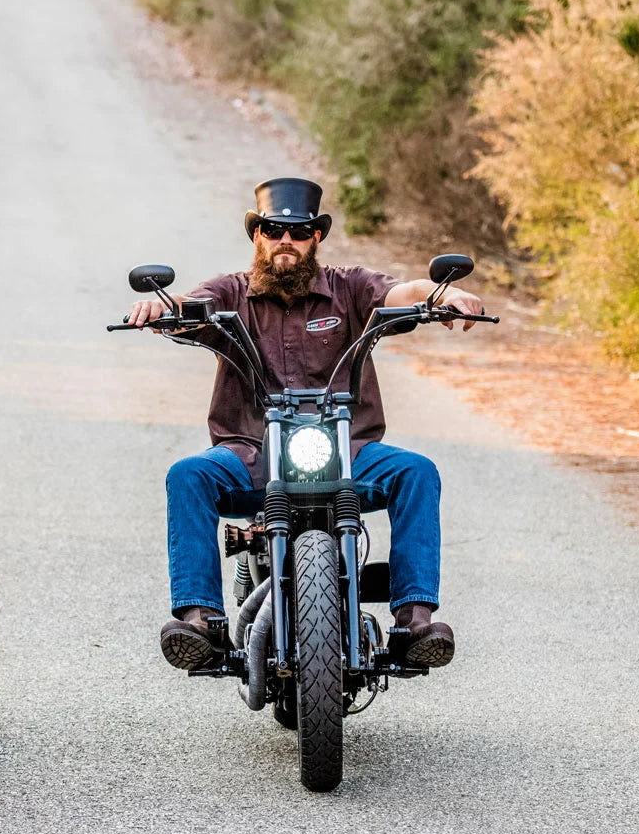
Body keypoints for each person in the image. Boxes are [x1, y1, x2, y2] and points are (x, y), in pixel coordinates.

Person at [125, 177, 485, 671]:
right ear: (258, 236)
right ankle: (200, 621)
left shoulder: (348, 288)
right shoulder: (232, 292)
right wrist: (163, 310)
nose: (284, 240)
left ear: (317, 236)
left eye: (298, 231)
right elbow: (193, 308)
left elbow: (402, 291)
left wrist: (443, 294)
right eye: (273, 230)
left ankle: (413, 622)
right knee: (188, 475)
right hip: (251, 453)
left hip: (348, 448)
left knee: (416, 471)